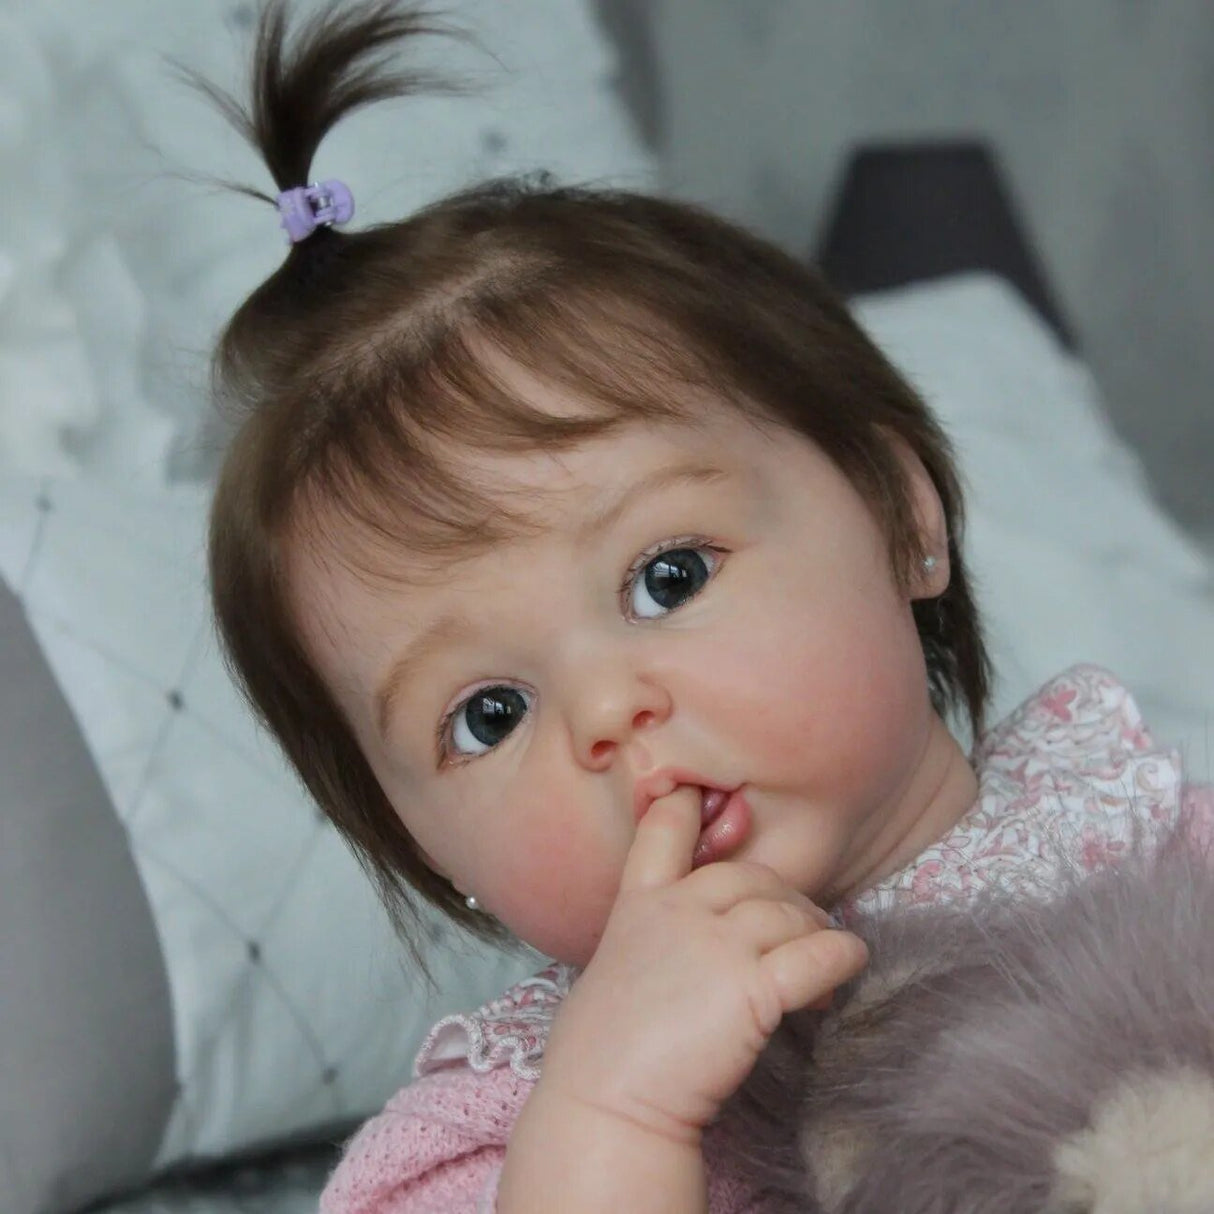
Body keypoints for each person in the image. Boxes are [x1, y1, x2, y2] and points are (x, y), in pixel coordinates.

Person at [198, 3, 1212, 1211]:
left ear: (903, 518)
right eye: (488, 712)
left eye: (664, 576)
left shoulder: (1157, 853)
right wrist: (613, 1115)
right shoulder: (504, 1138)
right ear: (421, 842)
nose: (608, 712)